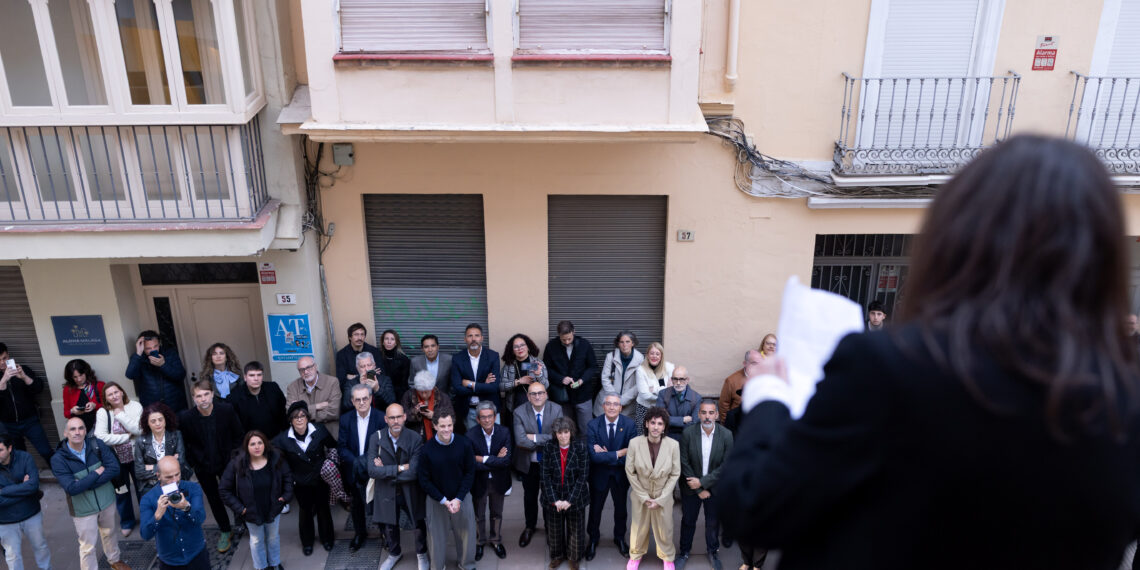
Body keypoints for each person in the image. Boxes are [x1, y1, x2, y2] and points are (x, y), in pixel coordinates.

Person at [718, 135, 1140, 570]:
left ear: (958, 236)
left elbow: (754, 508)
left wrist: (769, 396)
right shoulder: (1125, 405)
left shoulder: (891, 369)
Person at [51, 417, 131, 570]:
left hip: (106, 500)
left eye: (81, 428)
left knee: (110, 533)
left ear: (85, 431)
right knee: (87, 546)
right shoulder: (58, 459)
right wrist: (96, 474)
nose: (77, 432)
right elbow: (72, 489)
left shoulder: (96, 445)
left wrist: (84, 483)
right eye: (72, 429)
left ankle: (114, 561)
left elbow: (114, 468)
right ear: (65, 432)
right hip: (83, 509)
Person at [178, 380, 243, 553]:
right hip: (202, 466)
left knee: (233, 493)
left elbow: (238, 435)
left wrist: (234, 459)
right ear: (193, 398)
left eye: (206, 394)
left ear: (212, 394)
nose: (203, 399)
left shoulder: (226, 410)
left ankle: (243, 521)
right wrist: (193, 462)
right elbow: (185, 443)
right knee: (213, 499)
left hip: (226, 462)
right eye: (198, 396)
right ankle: (225, 530)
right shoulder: (186, 418)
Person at [366, 403, 429, 570]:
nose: (396, 421)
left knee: (417, 524)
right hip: (387, 490)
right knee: (389, 524)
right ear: (386, 419)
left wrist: (385, 472)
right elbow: (372, 470)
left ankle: (422, 554)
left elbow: (414, 471)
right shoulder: (376, 438)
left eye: (399, 416)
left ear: (405, 417)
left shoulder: (414, 438)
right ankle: (394, 553)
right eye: (392, 417)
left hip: (410, 490)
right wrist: (401, 468)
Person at [219, 431, 293, 570]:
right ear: (246, 447)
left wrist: (286, 496)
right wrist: (241, 509)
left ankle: (274, 563)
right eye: (252, 444)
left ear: (265, 444)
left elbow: (287, 477)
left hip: (272, 508)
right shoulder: (237, 464)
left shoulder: (276, 458)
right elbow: (224, 490)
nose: (257, 447)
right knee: (257, 540)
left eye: (260, 443)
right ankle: (261, 566)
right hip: (251, 512)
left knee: (273, 538)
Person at [273, 401, 336, 555]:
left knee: (323, 509)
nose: (300, 419)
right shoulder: (282, 439)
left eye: (302, 416)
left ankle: (327, 539)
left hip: (321, 479)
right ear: (291, 421)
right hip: (300, 482)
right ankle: (307, 542)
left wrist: (331, 463)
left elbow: (333, 446)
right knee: (305, 511)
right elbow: (278, 461)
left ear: (308, 418)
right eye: (296, 417)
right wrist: (290, 477)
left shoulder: (320, 430)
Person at [417, 411, 477, 570]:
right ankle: (437, 566)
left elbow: (470, 472)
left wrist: (458, 498)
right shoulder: (427, 450)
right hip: (436, 499)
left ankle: (467, 565)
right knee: (436, 537)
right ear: (435, 426)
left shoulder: (464, 444)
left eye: (449, 425)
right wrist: (443, 500)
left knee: (467, 534)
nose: (446, 429)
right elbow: (424, 480)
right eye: (442, 426)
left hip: (461, 497)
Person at [677, 401, 733, 570]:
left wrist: (703, 483)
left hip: (715, 488)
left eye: (711, 413)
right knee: (688, 520)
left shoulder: (726, 435)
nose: (707, 416)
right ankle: (684, 552)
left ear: (716, 415)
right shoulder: (688, 433)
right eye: (703, 413)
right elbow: (684, 462)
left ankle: (713, 551)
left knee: (713, 522)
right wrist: (699, 489)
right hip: (690, 487)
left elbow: (727, 465)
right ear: (699, 415)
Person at [625, 407, 680, 570]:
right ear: (647, 424)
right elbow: (630, 471)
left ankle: (667, 557)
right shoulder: (634, 443)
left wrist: (662, 498)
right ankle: (635, 555)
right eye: (653, 423)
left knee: (665, 528)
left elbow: (675, 474)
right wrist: (643, 496)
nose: (656, 427)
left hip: (663, 495)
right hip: (640, 494)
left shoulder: (673, 445)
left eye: (660, 424)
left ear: (664, 427)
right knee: (638, 527)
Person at [586, 391, 636, 560]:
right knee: (595, 509)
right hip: (598, 476)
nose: (612, 407)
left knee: (621, 510)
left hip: (621, 476)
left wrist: (607, 456)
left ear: (621, 408)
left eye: (616, 404)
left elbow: (632, 455)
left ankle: (620, 538)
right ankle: (593, 539)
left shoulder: (630, 425)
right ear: (603, 406)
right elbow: (594, 456)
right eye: (609, 404)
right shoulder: (593, 425)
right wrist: (618, 454)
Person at [514, 382, 563, 548]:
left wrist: (533, 438)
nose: (537, 396)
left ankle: (551, 529)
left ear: (546, 394)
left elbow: (558, 438)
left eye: (540, 393)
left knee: (550, 497)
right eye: (533, 394)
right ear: (528, 396)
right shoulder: (519, 412)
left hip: (550, 463)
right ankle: (530, 527)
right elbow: (520, 440)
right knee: (529, 497)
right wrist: (545, 439)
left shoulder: (556, 409)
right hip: (530, 464)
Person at [139, 456, 210, 570]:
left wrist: (186, 507)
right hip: (170, 561)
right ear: (158, 476)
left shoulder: (193, 488)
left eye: (177, 474)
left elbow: (200, 518)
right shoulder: (148, 499)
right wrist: (157, 516)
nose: (174, 480)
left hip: (196, 554)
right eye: (169, 477)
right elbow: (145, 535)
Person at [337, 383, 384, 552]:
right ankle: (359, 534)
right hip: (354, 469)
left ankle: (385, 534)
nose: (362, 402)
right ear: (352, 401)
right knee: (356, 505)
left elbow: (383, 446)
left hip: (375, 468)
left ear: (371, 398)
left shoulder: (381, 417)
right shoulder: (345, 419)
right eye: (358, 399)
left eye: (365, 398)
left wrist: (367, 461)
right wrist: (357, 461)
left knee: (379, 503)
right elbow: (341, 447)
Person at [94, 382, 143, 537]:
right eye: (110, 394)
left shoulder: (135, 407)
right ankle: (127, 521)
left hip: (137, 457)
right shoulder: (103, 412)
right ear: (106, 398)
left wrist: (120, 415)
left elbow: (139, 430)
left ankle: (149, 519)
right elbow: (101, 436)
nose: (114, 396)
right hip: (116, 461)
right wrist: (126, 437)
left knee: (142, 489)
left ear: (122, 392)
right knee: (121, 491)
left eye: (116, 392)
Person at [540, 417, 589, 570]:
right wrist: (555, 500)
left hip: (575, 497)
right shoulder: (549, 446)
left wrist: (570, 501)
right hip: (553, 496)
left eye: (566, 432)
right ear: (555, 434)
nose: (563, 436)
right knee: (554, 530)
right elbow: (544, 475)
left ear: (571, 432)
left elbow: (583, 476)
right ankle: (557, 556)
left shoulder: (580, 446)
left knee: (576, 530)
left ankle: (574, 558)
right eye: (559, 433)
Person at [467, 401, 511, 561]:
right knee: (479, 514)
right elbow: (471, 464)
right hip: (479, 481)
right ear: (478, 419)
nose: (487, 420)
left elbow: (505, 461)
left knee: (497, 513)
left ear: (495, 417)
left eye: (490, 416)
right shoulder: (470, 435)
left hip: (499, 481)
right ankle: (480, 542)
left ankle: (495, 540)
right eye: (483, 417)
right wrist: (494, 461)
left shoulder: (504, 432)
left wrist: (483, 459)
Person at [0, 433, 51, 570]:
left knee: (41, 547)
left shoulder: (25, 458)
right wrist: (23, 489)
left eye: (0, 450)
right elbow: (28, 489)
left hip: (31, 514)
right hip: (5, 521)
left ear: (9, 448)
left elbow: (33, 486)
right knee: (13, 556)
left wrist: (3, 491)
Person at [543, 321, 599, 435]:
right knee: (564, 429)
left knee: (586, 430)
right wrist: (561, 379)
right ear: (558, 335)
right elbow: (546, 368)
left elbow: (593, 367)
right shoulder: (551, 346)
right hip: (561, 396)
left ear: (574, 332)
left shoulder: (584, 344)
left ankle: (586, 452)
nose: (567, 342)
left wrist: (582, 380)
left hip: (583, 394)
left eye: (569, 338)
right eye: (563, 340)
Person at [0, 343, 53, 462]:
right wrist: (3, 381)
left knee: (46, 451)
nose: (2, 363)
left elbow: (38, 389)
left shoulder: (23, 369)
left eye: (4, 358)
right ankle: (27, 479)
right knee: (19, 457)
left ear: (8, 355)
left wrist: (24, 377)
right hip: (8, 425)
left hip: (30, 421)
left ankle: (63, 476)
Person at [450, 323, 502, 432]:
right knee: (472, 443)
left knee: (494, 442)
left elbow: (494, 387)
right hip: (469, 410)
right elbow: (457, 388)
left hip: (490, 409)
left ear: (482, 338)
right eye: (470, 336)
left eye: (477, 335)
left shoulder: (493, 356)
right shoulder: (457, 359)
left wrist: (470, 384)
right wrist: (483, 385)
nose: (474, 339)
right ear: (465, 339)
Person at [126, 330, 187, 411]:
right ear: (142, 347)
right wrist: (138, 354)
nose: (153, 350)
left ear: (159, 344)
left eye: (155, 346)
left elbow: (180, 375)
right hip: (152, 406)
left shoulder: (170, 353)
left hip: (175, 404)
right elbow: (130, 375)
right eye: (148, 348)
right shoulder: (138, 358)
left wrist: (163, 365)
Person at [499, 333, 549, 432]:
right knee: (516, 435)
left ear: (528, 347)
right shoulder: (509, 365)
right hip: (514, 406)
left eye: (522, 345)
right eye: (516, 347)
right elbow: (501, 386)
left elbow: (546, 386)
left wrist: (538, 374)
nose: (520, 348)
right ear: (512, 350)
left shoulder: (537, 363)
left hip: (536, 405)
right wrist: (518, 382)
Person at [286, 356, 342, 438]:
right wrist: (317, 406)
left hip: (330, 435)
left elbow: (334, 412)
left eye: (308, 367)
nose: (306, 372)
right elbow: (290, 413)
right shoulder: (292, 387)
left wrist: (303, 413)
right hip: (305, 438)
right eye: (302, 370)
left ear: (315, 366)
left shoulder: (332, 382)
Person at [229, 362, 287, 440]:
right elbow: (235, 425)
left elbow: (283, 412)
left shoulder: (273, 388)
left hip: (275, 439)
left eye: (259, 375)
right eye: (252, 375)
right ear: (245, 377)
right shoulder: (235, 395)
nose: (256, 379)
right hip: (249, 442)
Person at [334, 323, 383, 410]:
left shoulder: (374, 351)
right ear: (350, 337)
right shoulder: (341, 355)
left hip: (374, 395)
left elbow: (380, 374)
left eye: (362, 334)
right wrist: (367, 374)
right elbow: (341, 380)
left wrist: (352, 376)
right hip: (352, 397)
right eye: (356, 334)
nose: (359, 338)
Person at [595, 331, 644, 418]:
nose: (624, 345)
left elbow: (639, 384)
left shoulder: (640, 359)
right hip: (608, 402)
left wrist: (623, 400)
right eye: (622, 342)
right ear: (618, 344)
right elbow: (605, 378)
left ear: (633, 343)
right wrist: (614, 399)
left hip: (627, 405)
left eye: (627, 342)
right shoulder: (611, 357)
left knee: (623, 429)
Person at [402, 370, 454, 442]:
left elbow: (452, 418)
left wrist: (434, 415)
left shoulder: (442, 397)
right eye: (421, 392)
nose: (424, 395)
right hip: (414, 438)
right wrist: (415, 411)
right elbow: (402, 418)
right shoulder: (409, 395)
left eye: (426, 392)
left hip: (438, 437)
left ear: (432, 388)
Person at [634, 343, 674, 435]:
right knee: (644, 435)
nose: (654, 356)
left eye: (657, 354)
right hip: (645, 408)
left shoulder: (669, 367)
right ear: (647, 355)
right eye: (652, 353)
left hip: (663, 408)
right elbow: (645, 395)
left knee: (661, 435)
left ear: (661, 356)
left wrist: (654, 390)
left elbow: (672, 389)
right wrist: (664, 392)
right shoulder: (641, 370)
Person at [656, 366, 702, 441]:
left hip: (688, 438)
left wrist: (670, 420)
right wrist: (683, 420)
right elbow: (660, 418)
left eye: (681, 379)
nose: (678, 383)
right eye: (675, 379)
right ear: (671, 379)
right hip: (666, 437)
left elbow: (695, 422)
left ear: (687, 380)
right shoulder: (663, 394)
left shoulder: (696, 398)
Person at [718, 350, 762, 423]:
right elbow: (723, 407)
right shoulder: (731, 381)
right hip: (738, 425)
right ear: (745, 363)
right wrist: (728, 429)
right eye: (754, 363)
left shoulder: (765, 379)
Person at [62, 359, 105, 432]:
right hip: (79, 430)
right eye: (75, 377)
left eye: (81, 375)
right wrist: (72, 411)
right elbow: (66, 413)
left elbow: (109, 406)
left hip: (98, 427)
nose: (79, 379)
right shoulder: (68, 390)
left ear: (86, 372)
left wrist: (95, 406)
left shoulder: (99, 386)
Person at [379, 329, 412, 403]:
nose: (389, 342)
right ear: (383, 342)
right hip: (380, 395)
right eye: (386, 339)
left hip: (398, 396)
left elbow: (404, 384)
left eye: (392, 339)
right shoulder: (377, 357)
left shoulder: (404, 359)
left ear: (396, 343)